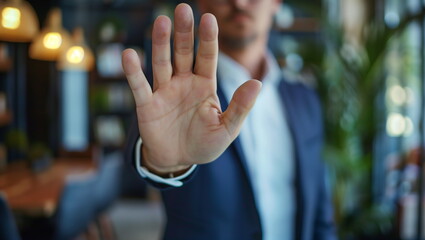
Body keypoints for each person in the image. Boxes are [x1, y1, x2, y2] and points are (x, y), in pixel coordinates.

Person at [122, 1, 337, 240]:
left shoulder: (305, 101)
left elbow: (319, 213)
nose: (240, 2)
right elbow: (143, 158)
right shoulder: (169, 91)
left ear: (276, 3)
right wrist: (164, 165)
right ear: (203, 3)